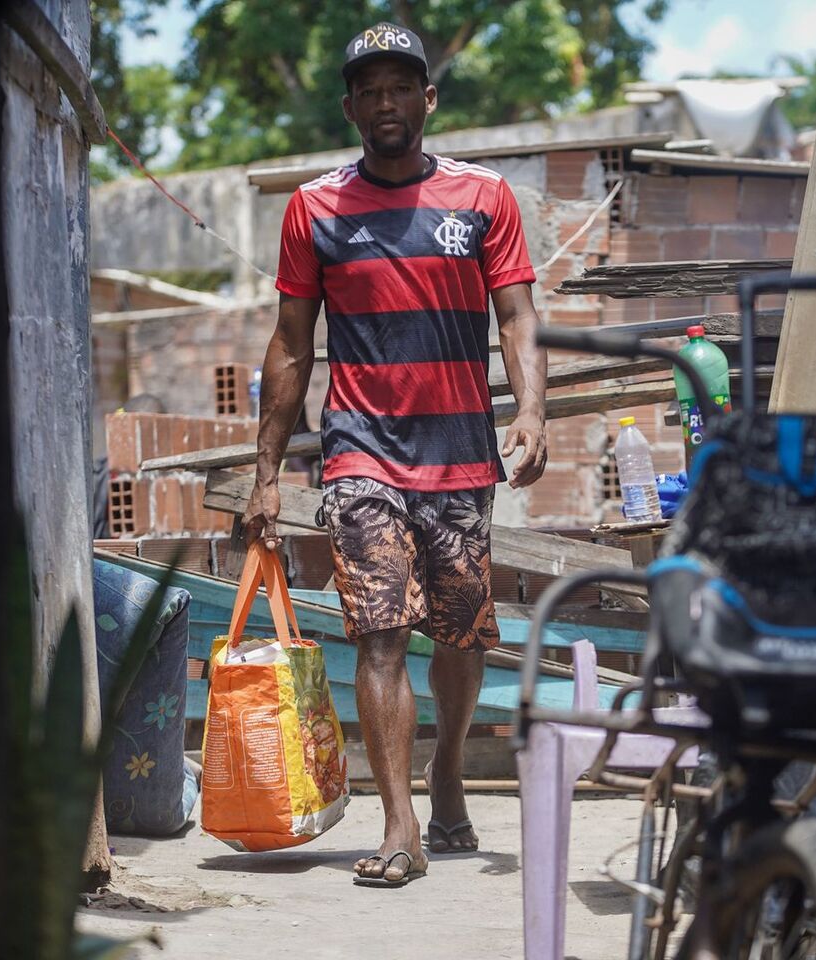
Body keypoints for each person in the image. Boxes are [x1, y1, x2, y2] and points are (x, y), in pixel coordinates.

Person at [242, 21, 548, 888]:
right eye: (370, 90)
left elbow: (518, 317)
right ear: (350, 108)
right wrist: (266, 472)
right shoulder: (315, 209)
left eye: (401, 87)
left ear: (428, 99)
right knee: (378, 634)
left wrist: (532, 411)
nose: (386, 102)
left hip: (460, 454)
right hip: (360, 452)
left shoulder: (483, 197)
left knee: (459, 632)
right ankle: (400, 822)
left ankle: (446, 767)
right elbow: (291, 344)